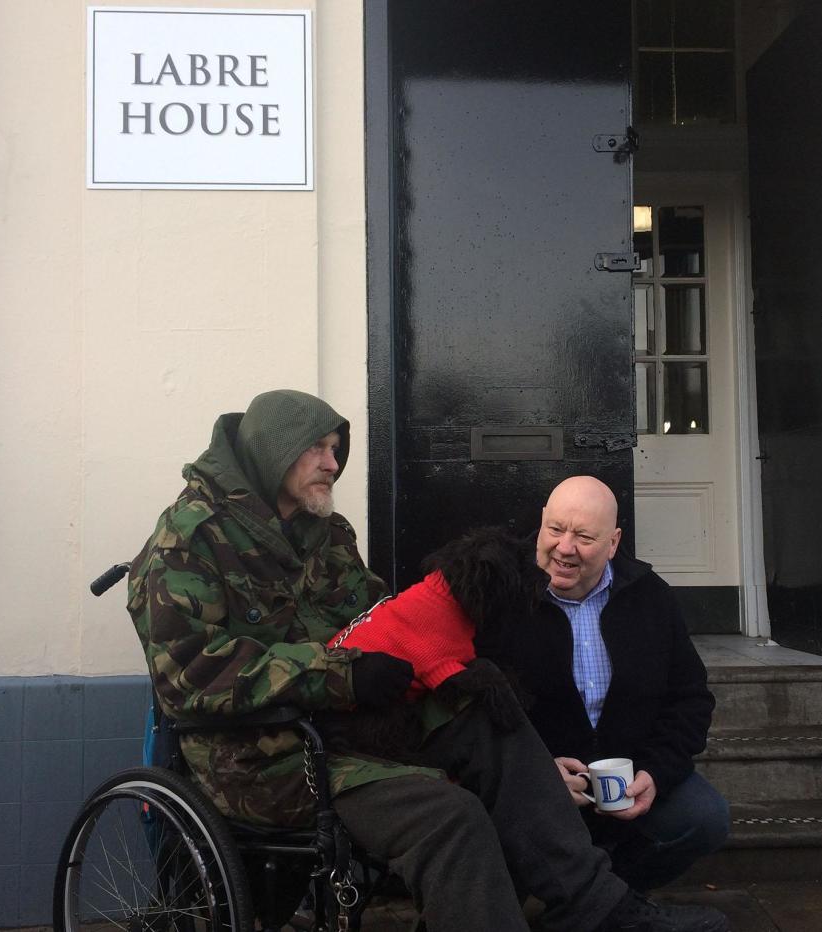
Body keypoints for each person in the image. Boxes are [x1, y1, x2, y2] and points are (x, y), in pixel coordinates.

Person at [127, 389, 730, 932]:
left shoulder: (324, 533)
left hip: (354, 728)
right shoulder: (190, 542)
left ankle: (598, 910)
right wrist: (336, 673)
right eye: (319, 449)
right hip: (268, 758)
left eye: (336, 449)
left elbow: (376, 616)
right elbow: (191, 676)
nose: (334, 463)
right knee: (451, 815)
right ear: (272, 450)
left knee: (488, 713)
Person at [493, 475, 730, 893]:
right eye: (555, 529)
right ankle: (584, 905)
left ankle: (605, 904)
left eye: (584, 536)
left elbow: (690, 699)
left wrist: (655, 772)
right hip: (533, 779)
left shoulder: (651, 598)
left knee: (705, 818)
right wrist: (533, 770)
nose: (565, 547)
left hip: (626, 780)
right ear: (542, 522)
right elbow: (470, 706)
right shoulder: (501, 595)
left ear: (614, 542)